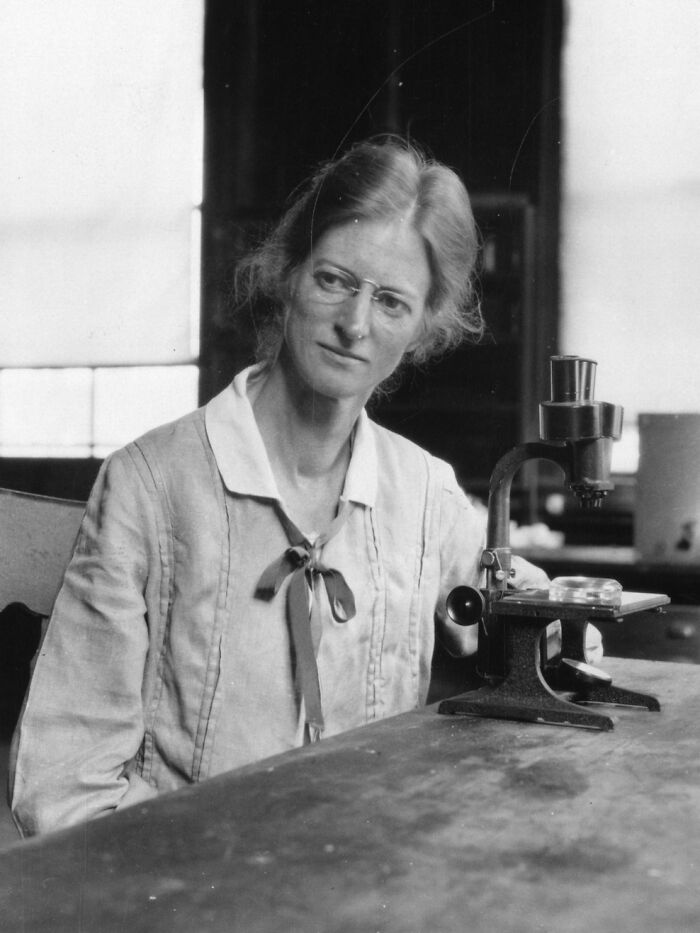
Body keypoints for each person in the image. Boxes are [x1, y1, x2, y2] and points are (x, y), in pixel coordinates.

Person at [10, 137, 552, 837]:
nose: (355, 324)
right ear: (290, 274)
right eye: (334, 280)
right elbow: (65, 783)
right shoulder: (149, 484)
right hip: (194, 891)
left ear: (422, 328)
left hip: (371, 881)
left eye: (391, 302)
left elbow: (514, 614)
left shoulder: (426, 496)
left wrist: (551, 621)